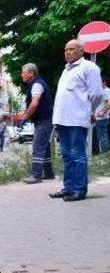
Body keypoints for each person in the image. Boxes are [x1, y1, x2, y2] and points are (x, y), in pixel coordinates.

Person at [51, 39, 105, 201]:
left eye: (72, 49)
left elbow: (97, 94)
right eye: (66, 49)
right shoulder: (66, 70)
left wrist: (90, 111)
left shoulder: (89, 68)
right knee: (67, 155)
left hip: (77, 118)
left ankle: (80, 190)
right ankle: (68, 188)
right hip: (62, 119)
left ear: (82, 51)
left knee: (78, 155)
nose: (68, 52)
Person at [20, 63, 55, 184]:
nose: (22, 75)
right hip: (45, 119)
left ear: (31, 73)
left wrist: (25, 116)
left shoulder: (36, 85)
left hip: (44, 119)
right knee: (44, 146)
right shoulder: (36, 84)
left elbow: (34, 104)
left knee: (38, 146)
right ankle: (49, 172)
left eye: (23, 72)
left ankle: (36, 175)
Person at [94, 74, 110, 154]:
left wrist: (102, 112)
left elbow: (109, 103)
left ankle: (105, 153)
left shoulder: (106, 91)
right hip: (100, 117)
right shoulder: (104, 91)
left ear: (104, 82)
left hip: (102, 118)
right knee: (102, 136)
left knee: (102, 136)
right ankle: (103, 152)